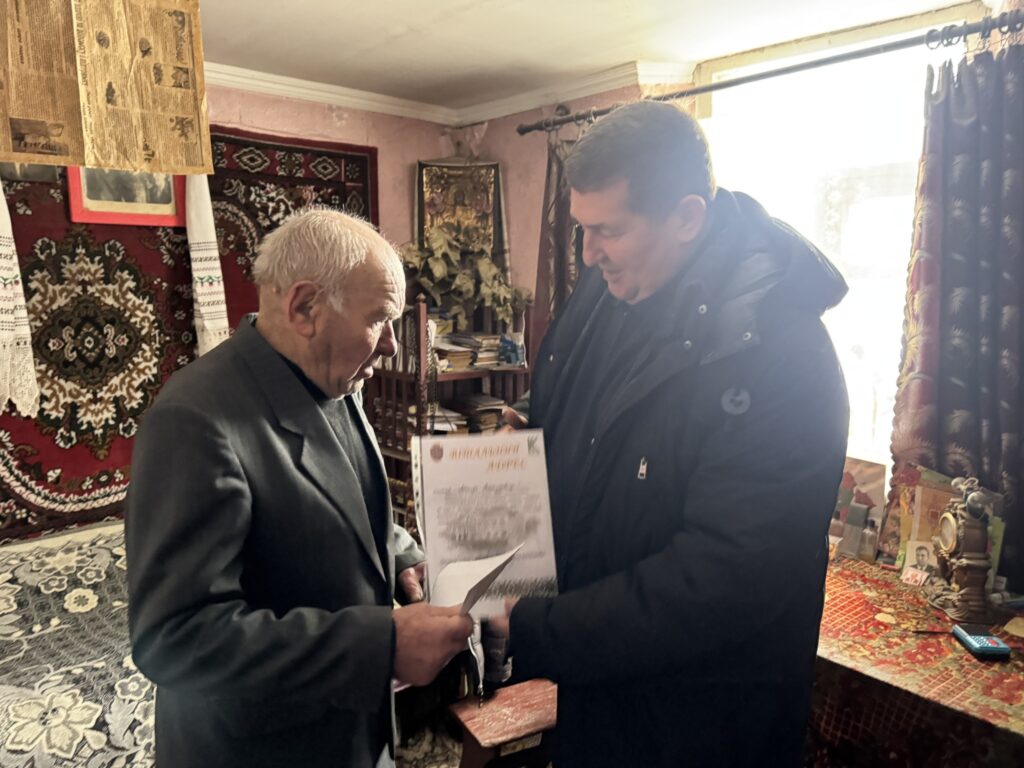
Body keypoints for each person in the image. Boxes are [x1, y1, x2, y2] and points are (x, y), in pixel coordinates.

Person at [492, 101, 850, 766]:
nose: (588, 253)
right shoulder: (610, 285)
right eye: (581, 229)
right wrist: (530, 427)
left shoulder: (784, 356)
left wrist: (535, 626)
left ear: (687, 217)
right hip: (600, 689)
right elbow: (584, 402)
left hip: (702, 722)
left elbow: (723, 580)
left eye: (609, 230)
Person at [126, 208, 474, 768]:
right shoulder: (193, 421)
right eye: (380, 319)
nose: (391, 346)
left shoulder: (331, 377)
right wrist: (380, 645)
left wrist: (400, 553)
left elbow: (339, 497)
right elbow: (175, 637)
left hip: (351, 735)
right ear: (305, 308)